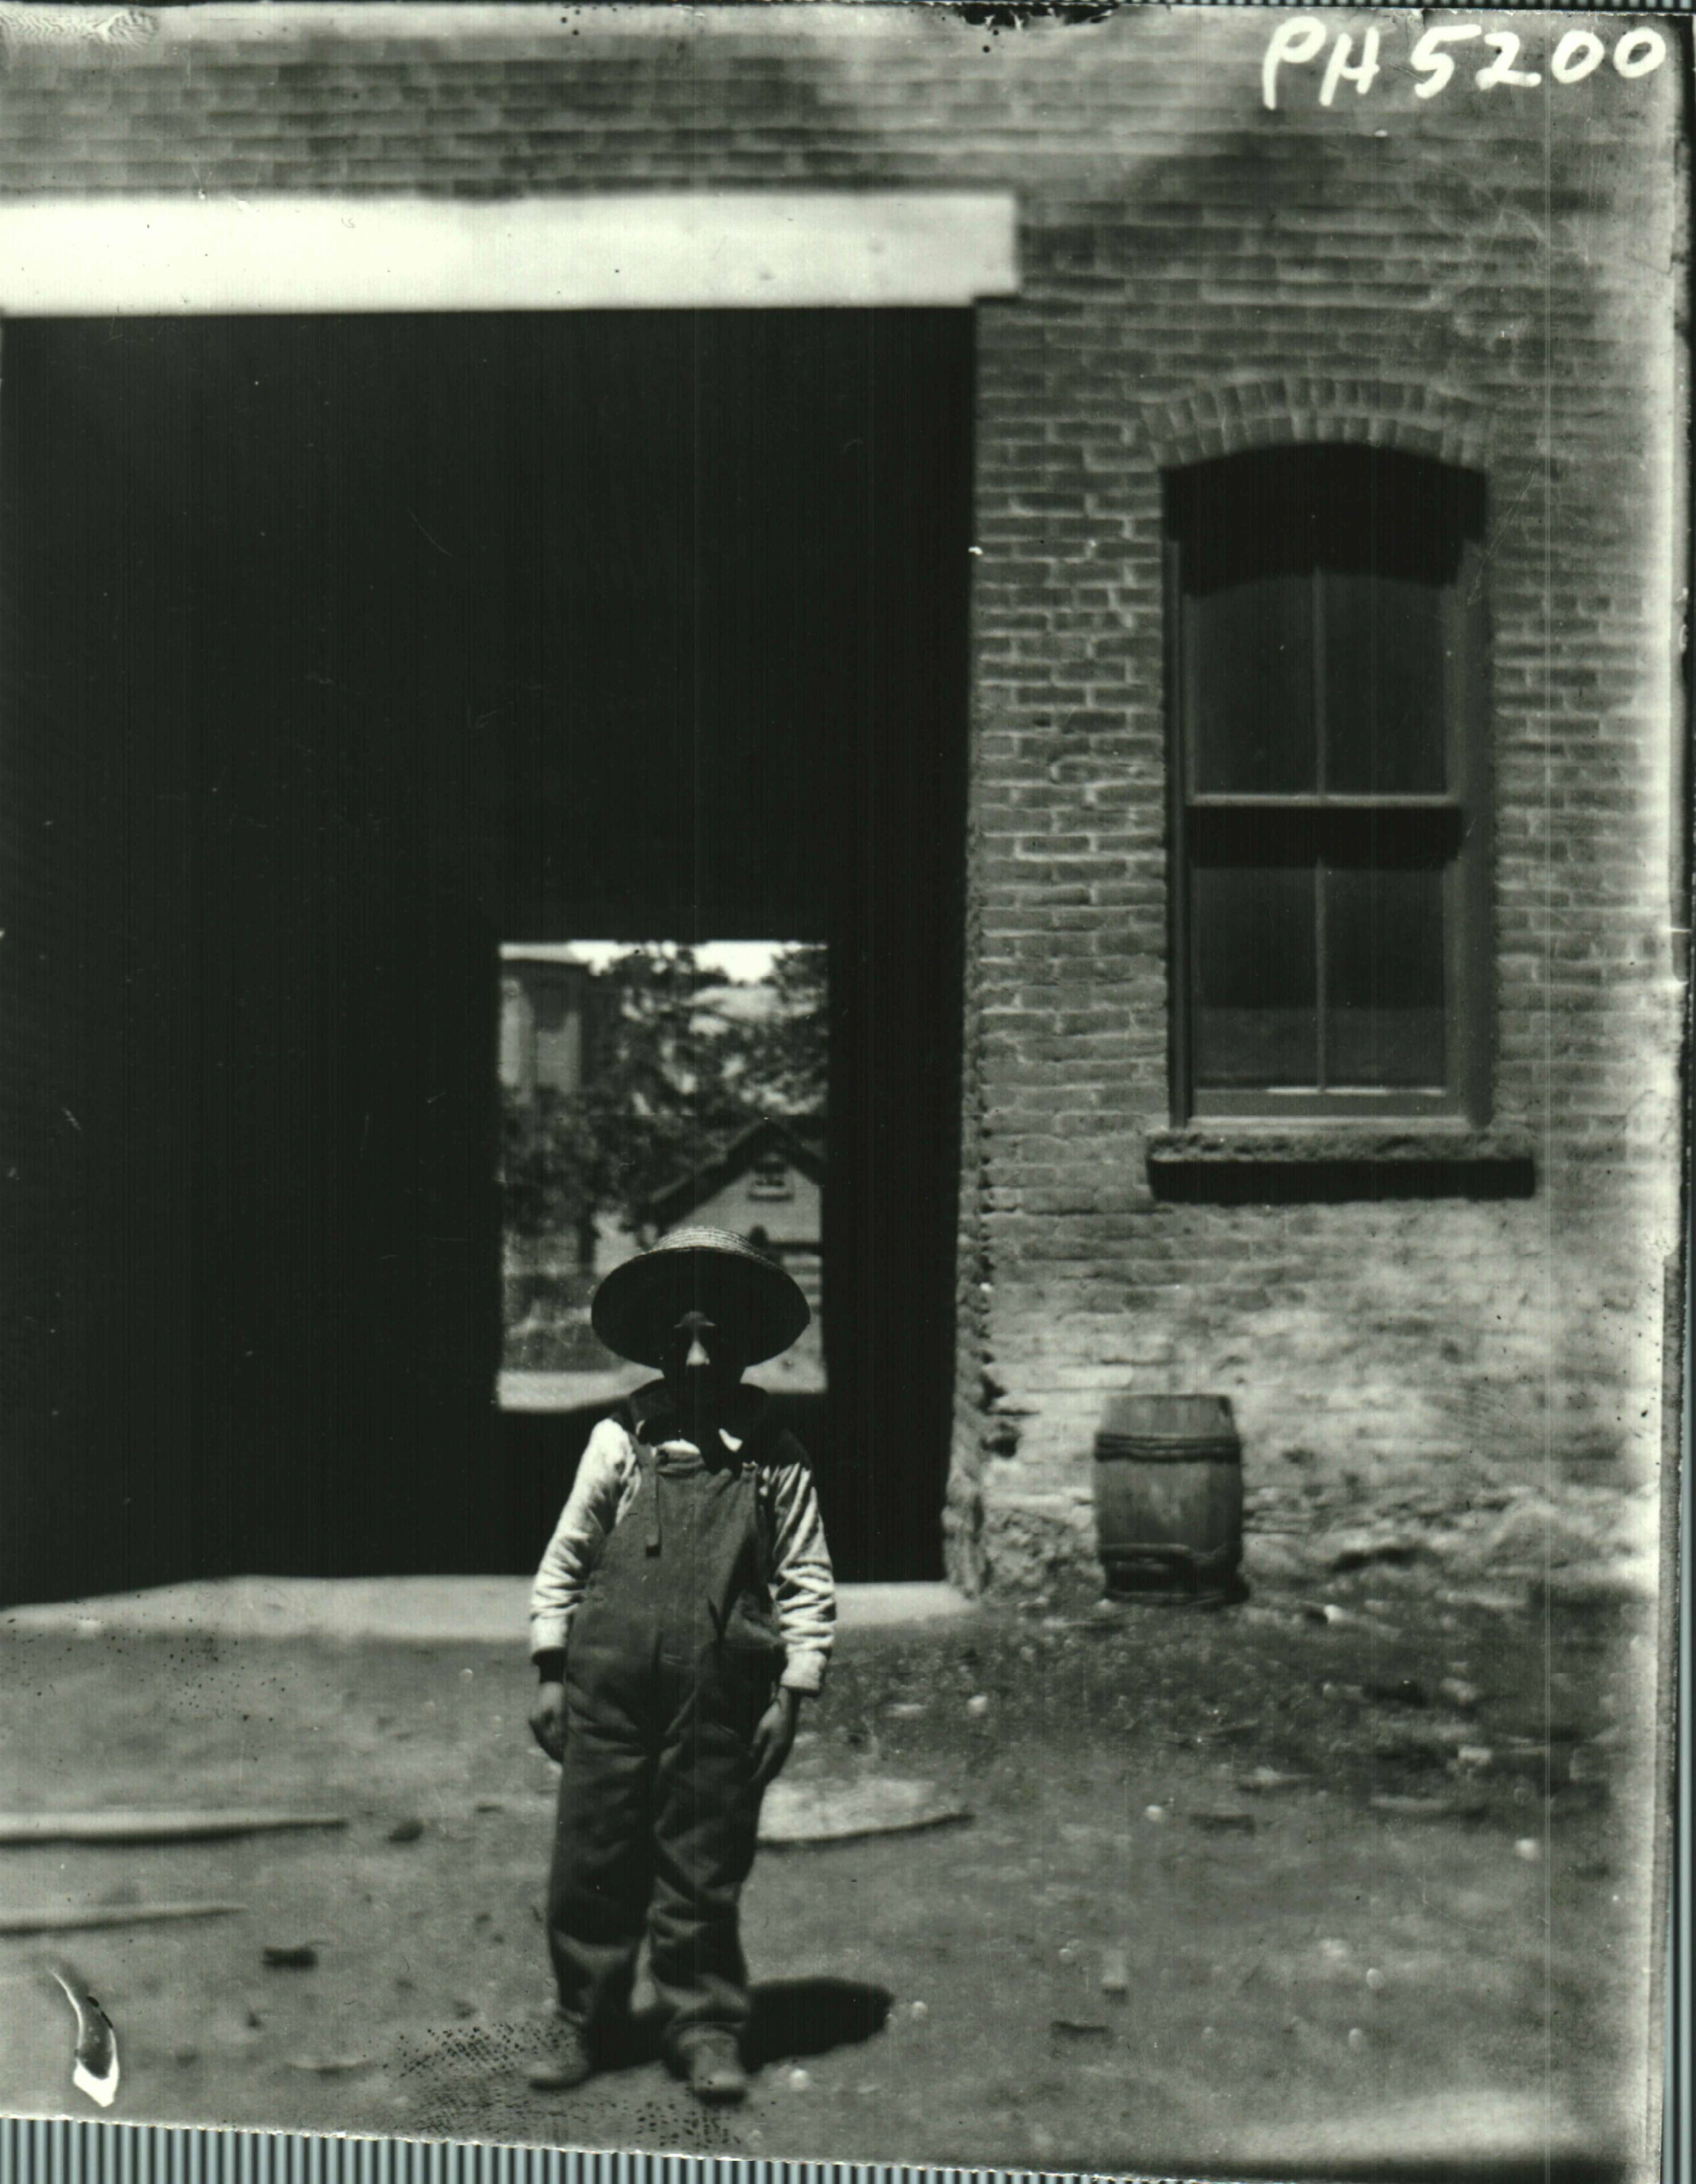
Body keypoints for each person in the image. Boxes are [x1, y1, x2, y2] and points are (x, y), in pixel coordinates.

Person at [526, 1223, 834, 2104]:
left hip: (720, 1699)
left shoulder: (774, 1459)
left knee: (701, 1864)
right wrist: (550, 1669)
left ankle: (704, 2024)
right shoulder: (616, 1442)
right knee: (593, 1854)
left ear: (743, 1348)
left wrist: (792, 1693)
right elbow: (565, 1559)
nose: (698, 1361)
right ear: (658, 1349)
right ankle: (585, 2016)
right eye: (680, 1341)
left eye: (717, 1341)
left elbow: (806, 1579)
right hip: (608, 1690)